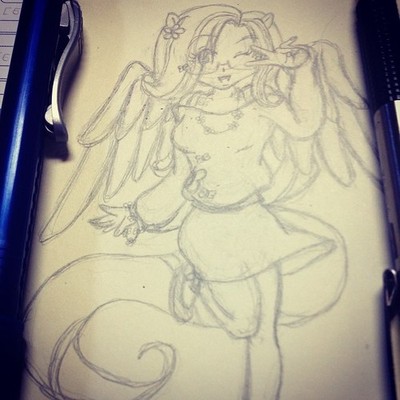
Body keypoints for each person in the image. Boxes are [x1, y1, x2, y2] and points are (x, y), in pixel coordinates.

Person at [40, 5, 377, 399]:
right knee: (242, 324)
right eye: (210, 56)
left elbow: (305, 125)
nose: (223, 68)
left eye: (242, 55)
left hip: (255, 223)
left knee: (261, 332)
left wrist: (299, 66)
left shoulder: (263, 109)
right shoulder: (186, 116)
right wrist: (140, 214)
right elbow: (178, 178)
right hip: (204, 229)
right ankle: (194, 280)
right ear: (194, 59)